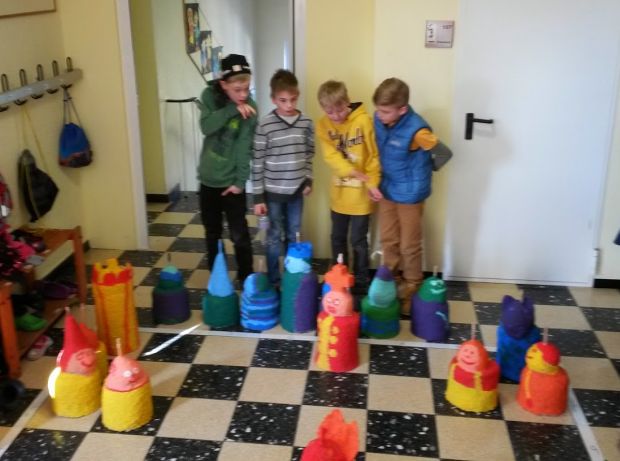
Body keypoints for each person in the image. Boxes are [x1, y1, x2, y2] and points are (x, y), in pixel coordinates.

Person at [372, 77, 451, 314]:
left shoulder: (418, 131)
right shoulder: (379, 119)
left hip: (411, 194)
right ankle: (390, 284)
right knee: (388, 240)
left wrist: (426, 169)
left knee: (409, 246)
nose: (379, 115)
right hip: (387, 189)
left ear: (402, 109)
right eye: (378, 110)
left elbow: (444, 153)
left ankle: (412, 289)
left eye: (385, 112)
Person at [316, 80, 382, 293]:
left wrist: (372, 184)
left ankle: (361, 281)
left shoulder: (364, 121)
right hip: (339, 196)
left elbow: (373, 157)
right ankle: (339, 275)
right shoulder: (323, 125)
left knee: (358, 241)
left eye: (339, 110)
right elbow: (331, 156)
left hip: (361, 197)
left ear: (347, 102)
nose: (335, 116)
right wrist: (352, 172)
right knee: (337, 238)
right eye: (329, 112)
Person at [197, 53, 257, 284]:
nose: (243, 95)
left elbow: (244, 148)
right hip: (208, 180)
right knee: (212, 232)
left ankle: (246, 277)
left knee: (239, 234)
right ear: (223, 85)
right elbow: (206, 127)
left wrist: (240, 182)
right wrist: (232, 109)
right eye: (237, 90)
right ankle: (217, 278)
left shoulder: (251, 108)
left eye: (247, 89)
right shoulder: (209, 97)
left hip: (232, 183)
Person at [252, 69, 314, 287]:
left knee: (293, 233)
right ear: (273, 99)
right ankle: (273, 279)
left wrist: (308, 179)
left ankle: (291, 276)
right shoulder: (265, 125)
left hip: (297, 191)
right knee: (273, 236)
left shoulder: (306, 122)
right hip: (272, 194)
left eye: (293, 99)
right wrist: (258, 197)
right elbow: (257, 161)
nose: (289, 105)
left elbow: (309, 153)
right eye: (283, 100)